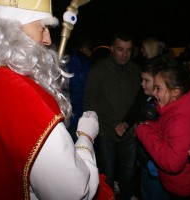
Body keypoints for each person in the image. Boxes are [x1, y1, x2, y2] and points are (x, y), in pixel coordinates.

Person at [0, 1, 99, 200]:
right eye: (42, 27)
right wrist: (85, 138)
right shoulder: (26, 102)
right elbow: (73, 193)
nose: (47, 39)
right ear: (10, 29)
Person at [83, 33, 141, 200]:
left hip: (129, 133)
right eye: (120, 49)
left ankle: (126, 195)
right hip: (106, 133)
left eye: (128, 50)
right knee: (107, 172)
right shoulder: (99, 70)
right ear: (112, 48)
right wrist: (94, 129)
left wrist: (135, 123)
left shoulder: (136, 71)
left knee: (128, 173)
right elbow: (89, 101)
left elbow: (140, 101)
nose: (124, 54)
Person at [135, 66, 190, 199]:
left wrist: (144, 132)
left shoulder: (182, 121)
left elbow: (172, 163)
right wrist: (147, 125)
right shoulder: (177, 108)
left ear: (175, 92)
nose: (154, 93)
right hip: (182, 184)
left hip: (184, 189)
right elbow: (166, 130)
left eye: (158, 88)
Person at [115, 62, 168, 200]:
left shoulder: (164, 106)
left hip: (156, 166)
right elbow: (135, 110)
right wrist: (126, 124)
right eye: (141, 79)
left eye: (146, 80)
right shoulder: (145, 96)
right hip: (144, 159)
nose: (142, 84)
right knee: (145, 193)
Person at [66, 37, 93, 142]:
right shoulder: (81, 62)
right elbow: (78, 87)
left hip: (71, 110)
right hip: (77, 110)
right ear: (84, 49)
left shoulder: (69, 59)